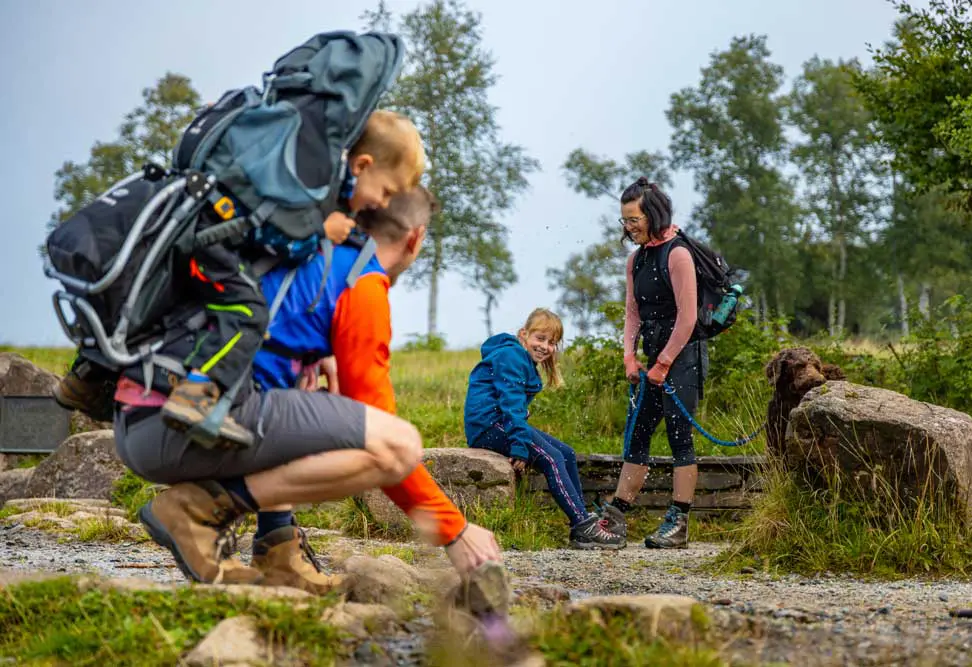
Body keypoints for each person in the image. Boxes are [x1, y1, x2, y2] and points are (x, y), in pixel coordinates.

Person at [114, 181, 502, 591]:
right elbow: (383, 436)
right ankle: (195, 510)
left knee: (301, 401)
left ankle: (279, 552)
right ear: (415, 237)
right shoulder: (362, 284)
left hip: (141, 415)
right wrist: (454, 530)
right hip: (173, 428)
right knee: (396, 447)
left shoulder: (301, 255)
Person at [56, 110, 418, 450]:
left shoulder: (292, 160)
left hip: (197, 236)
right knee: (248, 313)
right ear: (363, 164)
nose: (380, 203)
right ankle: (197, 395)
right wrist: (319, 231)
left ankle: (85, 375)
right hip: (213, 249)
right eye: (385, 191)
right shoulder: (310, 187)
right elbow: (273, 233)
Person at [599, 176, 705, 550]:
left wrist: (664, 364)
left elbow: (688, 317)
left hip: (682, 358)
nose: (628, 228)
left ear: (653, 215)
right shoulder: (636, 260)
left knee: (679, 439)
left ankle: (679, 521)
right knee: (638, 434)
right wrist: (630, 357)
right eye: (624, 221)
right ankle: (616, 516)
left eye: (633, 220)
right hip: (651, 360)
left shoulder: (678, 254)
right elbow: (633, 313)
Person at [463, 308, 625, 550]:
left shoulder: (520, 357)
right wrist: (519, 446)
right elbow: (511, 404)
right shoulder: (513, 356)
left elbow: (512, 406)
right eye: (540, 338)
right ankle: (582, 525)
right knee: (552, 457)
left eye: (552, 342)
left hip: (498, 422)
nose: (545, 347)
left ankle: (583, 524)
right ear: (523, 334)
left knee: (567, 453)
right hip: (489, 426)